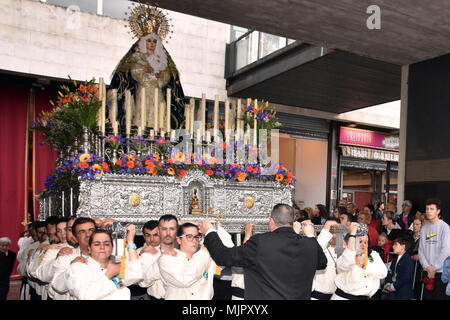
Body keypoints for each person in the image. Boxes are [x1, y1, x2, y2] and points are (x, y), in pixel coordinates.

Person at [199, 203, 327, 300]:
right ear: (292, 222)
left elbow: (224, 257)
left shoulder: (260, 243)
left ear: (271, 222)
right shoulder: (308, 244)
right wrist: (311, 236)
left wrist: (210, 232)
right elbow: (322, 262)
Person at [65, 226, 142, 300]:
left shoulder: (115, 265)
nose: (102, 247)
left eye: (106, 244)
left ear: (112, 248)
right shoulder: (78, 267)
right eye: (97, 244)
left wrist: (130, 242)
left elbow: (136, 275)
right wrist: (108, 274)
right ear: (89, 249)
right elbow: (84, 296)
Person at [158, 222, 216, 300]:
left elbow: (226, 247)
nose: (194, 240)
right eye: (189, 237)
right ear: (179, 240)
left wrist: (207, 228)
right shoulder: (167, 258)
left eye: (196, 237)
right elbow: (185, 280)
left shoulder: (206, 257)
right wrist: (203, 254)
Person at [331, 222, 387, 300]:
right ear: (353, 241)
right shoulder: (345, 255)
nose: (363, 245)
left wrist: (363, 266)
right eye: (360, 242)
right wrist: (352, 235)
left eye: (365, 242)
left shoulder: (374, 254)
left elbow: (383, 272)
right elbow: (345, 266)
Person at [50, 217, 97, 299]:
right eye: (82, 232)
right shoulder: (66, 257)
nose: (88, 234)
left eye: (91, 230)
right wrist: (72, 268)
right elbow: (57, 286)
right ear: (75, 237)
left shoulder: (108, 256)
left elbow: (122, 282)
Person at [419, 198, 450, 300]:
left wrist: (434, 268)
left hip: (441, 272)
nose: (428, 211)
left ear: (438, 211)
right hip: (427, 271)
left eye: (432, 209)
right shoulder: (424, 228)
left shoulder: (445, 227)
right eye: (427, 209)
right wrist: (427, 267)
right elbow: (421, 250)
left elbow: (446, 250)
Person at [311, 219, 339, 300]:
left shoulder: (343, 249)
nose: (334, 234)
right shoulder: (320, 247)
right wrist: (328, 225)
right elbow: (318, 247)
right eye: (331, 230)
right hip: (317, 296)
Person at [135, 220, 164, 300]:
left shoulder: (172, 251)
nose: (152, 239)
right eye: (148, 235)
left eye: (155, 235)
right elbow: (142, 282)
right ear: (144, 236)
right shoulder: (137, 253)